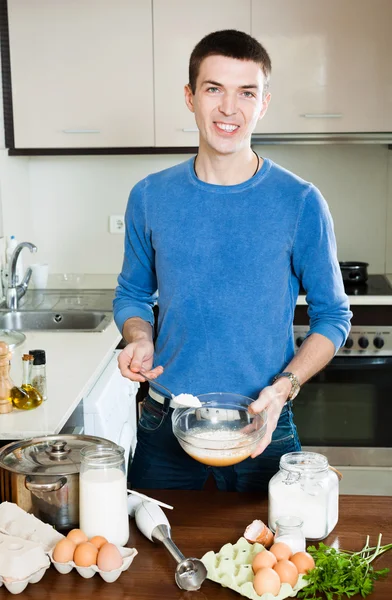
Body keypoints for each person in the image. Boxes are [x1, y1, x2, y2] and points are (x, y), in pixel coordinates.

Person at [113, 29, 352, 492]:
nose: (229, 108)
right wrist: (139, 335)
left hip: (264, 421)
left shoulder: (300, 201)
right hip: (167, 423)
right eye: (213, 89)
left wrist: (285, 385)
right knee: (151, 559)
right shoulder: (149, 196)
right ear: (190, 97)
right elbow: (133, 294)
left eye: (246, 92)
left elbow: (333, 316)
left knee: (271, 558)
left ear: (263, 103)